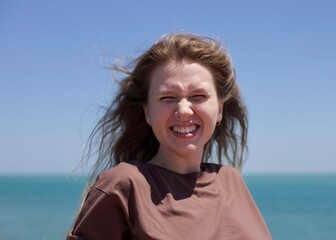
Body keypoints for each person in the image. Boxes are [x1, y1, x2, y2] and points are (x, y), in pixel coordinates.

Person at [67, 32, 272, 239]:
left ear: (219, 109)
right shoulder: (124, 185)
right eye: (167, 97)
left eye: (198, 96)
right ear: (147, 112)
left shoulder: (231, 181)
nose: (183, 110)